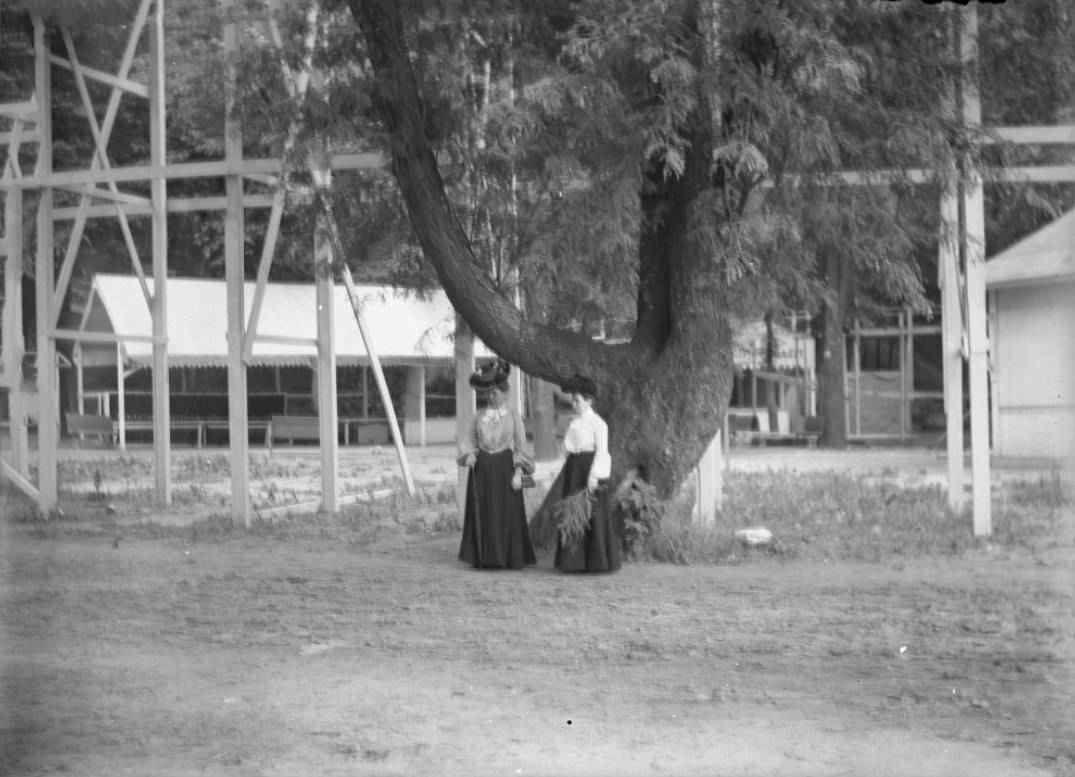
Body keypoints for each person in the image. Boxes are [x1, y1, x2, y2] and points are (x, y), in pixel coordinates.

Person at [457, 359, 536, 570]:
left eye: (494, 393)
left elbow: (520, 445)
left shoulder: (512, 416)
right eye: (487, 393)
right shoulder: (479, 416)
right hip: (482, 470)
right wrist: (470, 455)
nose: (490, 397)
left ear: (505, 393)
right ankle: (484, 556)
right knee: (484, 511)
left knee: (506, 512)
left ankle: (508, 556)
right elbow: (469, 441)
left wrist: (519, 472)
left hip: (505, 469)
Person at [552, 374, 622, 573]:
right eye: (573, 400)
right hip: (574, 468)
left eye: (578, 400)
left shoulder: (599, 424)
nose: (574, 404)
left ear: (589, 401)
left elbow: (602, 451)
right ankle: (573, 561)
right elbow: (569, 445)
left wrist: (594, 476)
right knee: (572, 511)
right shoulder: (574, 423)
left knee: (592, 513)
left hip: (589, 469)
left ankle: (596, 561)